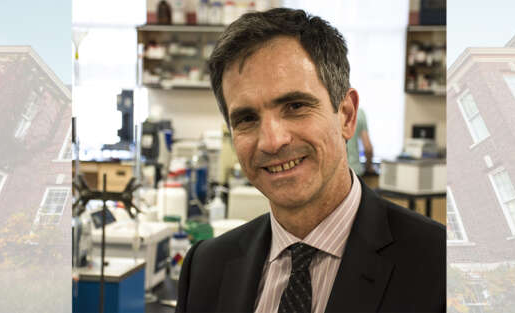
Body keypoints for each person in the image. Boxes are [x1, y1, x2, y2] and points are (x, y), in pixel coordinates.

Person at [176, 8, 445, 313]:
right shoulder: (206, 267)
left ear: (346, 115)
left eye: (295, 106)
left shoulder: (441, 266)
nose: (272, 141)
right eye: (247, 118)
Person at [346, 108, 375, 176]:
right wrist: (368, 167)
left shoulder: (330, 111)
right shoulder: (359, 113)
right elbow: (368, 148)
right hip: (355, 171)